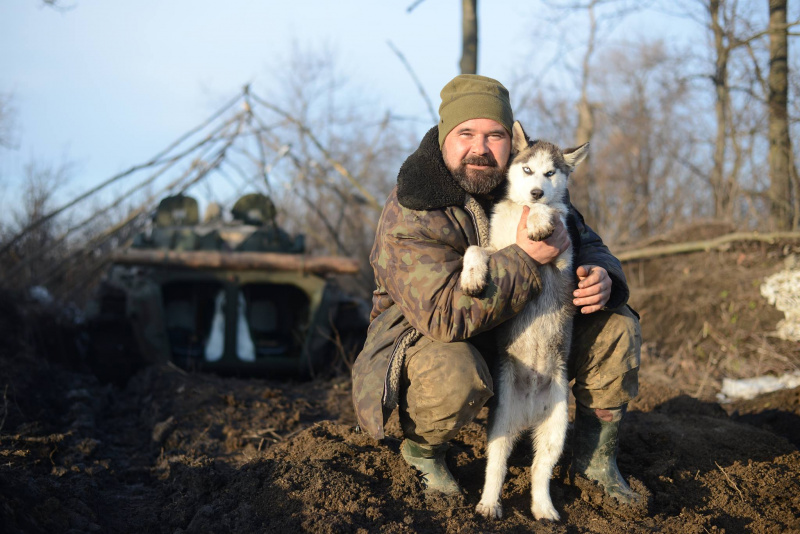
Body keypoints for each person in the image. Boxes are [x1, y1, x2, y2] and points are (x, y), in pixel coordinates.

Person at [351, 74, 641, 505]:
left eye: (495, 135)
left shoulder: (529, 182)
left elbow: (588, 241)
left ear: (512, 141)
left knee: (616, 325)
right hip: (434, 339)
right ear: (445, 137)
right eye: (466, 133)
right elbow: (443, 316)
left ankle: (595, 460)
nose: (480, 147)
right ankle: (424, 453)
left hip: (524, 332)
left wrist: (602, 275)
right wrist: (525, 258)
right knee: (454, 374)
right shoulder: (413, 206)